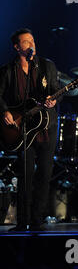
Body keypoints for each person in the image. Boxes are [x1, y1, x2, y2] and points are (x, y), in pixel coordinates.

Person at [0, 28, 60, 231]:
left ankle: (37, 219)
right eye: (26, 42)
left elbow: (55, 90)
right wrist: (5, 111)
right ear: (17, 47)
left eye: (33, 40)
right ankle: (22, 220)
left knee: (44, 172)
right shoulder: (8, 70)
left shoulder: (47, 66)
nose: (31, 44)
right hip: (22, 129)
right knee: (25, 173)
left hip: (45, 126)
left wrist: (54, 100)